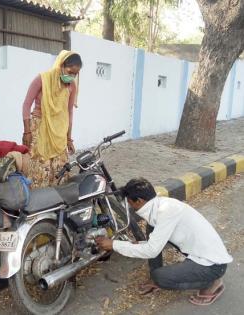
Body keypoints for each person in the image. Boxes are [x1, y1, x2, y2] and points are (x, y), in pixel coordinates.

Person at [96, 178, 233, 306]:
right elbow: (153, 244)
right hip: (197, 250)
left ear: (139, 201)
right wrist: (137, 245)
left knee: (161, 278)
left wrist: (113, 244)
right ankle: (157, 277)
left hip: (213, 265)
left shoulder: (166, 212)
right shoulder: (161, 206)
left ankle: (211, 283)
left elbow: (151, 250)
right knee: (152, 227)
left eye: (130, 202)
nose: (129, 205)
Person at [22, 50, 82, 188]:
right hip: (39, 127)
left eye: (75, 74)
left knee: (59, 169)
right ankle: (37, 202)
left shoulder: (72, 86)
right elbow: (26, 104)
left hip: (59, 132)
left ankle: (57, 203)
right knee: (40, 166)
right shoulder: (42, 79)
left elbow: (69, 112)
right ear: (61, 65)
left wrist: (69, 138)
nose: (72, 76)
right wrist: (27, 131)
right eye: (69, 72)